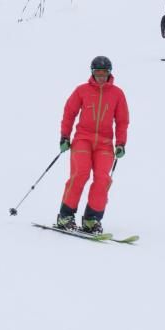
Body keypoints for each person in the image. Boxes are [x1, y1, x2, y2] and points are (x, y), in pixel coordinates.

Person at [57, 56, 129, 234]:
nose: (101, 77)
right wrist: (65, 137)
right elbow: (69, 112)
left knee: (102, 179)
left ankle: (91, 219)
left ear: (110, 73)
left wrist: (120, 143)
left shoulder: (117, 94)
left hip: (105, 143)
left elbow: (122, 121)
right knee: (80, 173)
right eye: (98, 73)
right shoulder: (82, 90)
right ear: (92, 73)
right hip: (83, 139)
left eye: (105, 73)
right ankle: (65, 216)